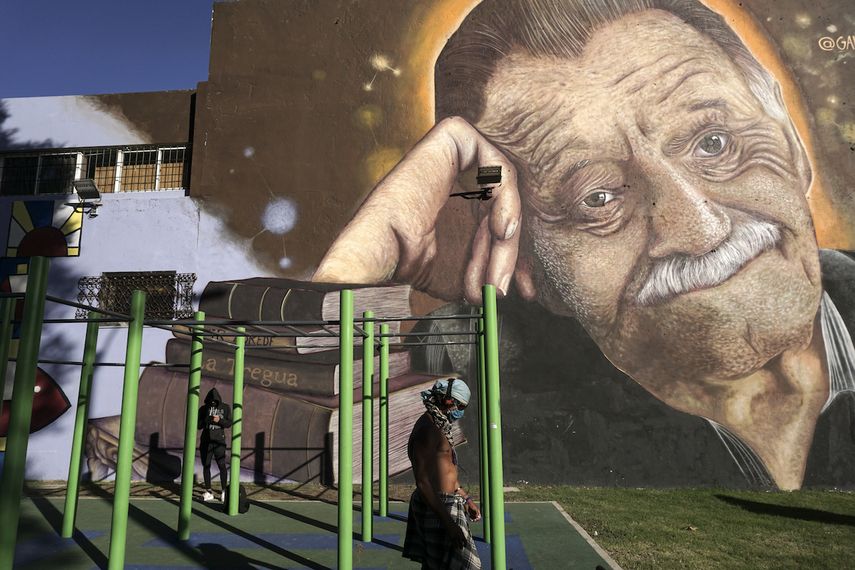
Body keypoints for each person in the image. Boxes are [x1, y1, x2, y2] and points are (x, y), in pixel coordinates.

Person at [315, 0, 855, 490]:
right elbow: (291, 460)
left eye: (714, 143)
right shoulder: (463, 369)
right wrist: (367, 253)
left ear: (791, 142)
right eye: (597, 197)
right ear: (525, 263)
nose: (701, 229)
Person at [403, 377, 482, 570]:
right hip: (440, 507)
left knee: (436, 566)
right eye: (460, 406)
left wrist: (466, 498)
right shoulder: (428, 430)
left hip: (447, 503)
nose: (460, 411)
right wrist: (449, 524)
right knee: (467, 566)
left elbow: (445, 471)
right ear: (448, 400)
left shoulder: (438, 426)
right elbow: (423, 482)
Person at [198, 387, 232, 502]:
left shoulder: (225, 408)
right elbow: (198, 425)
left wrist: (219, 420)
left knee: (222, 465)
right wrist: (207, 419)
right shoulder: (203, 409)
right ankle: (208, 491)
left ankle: (224, 491)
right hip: (206, 441)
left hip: (219, 441)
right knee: (206, 465)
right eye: (211, 401)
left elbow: (229, 423)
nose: (213, 403)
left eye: (215, 401)